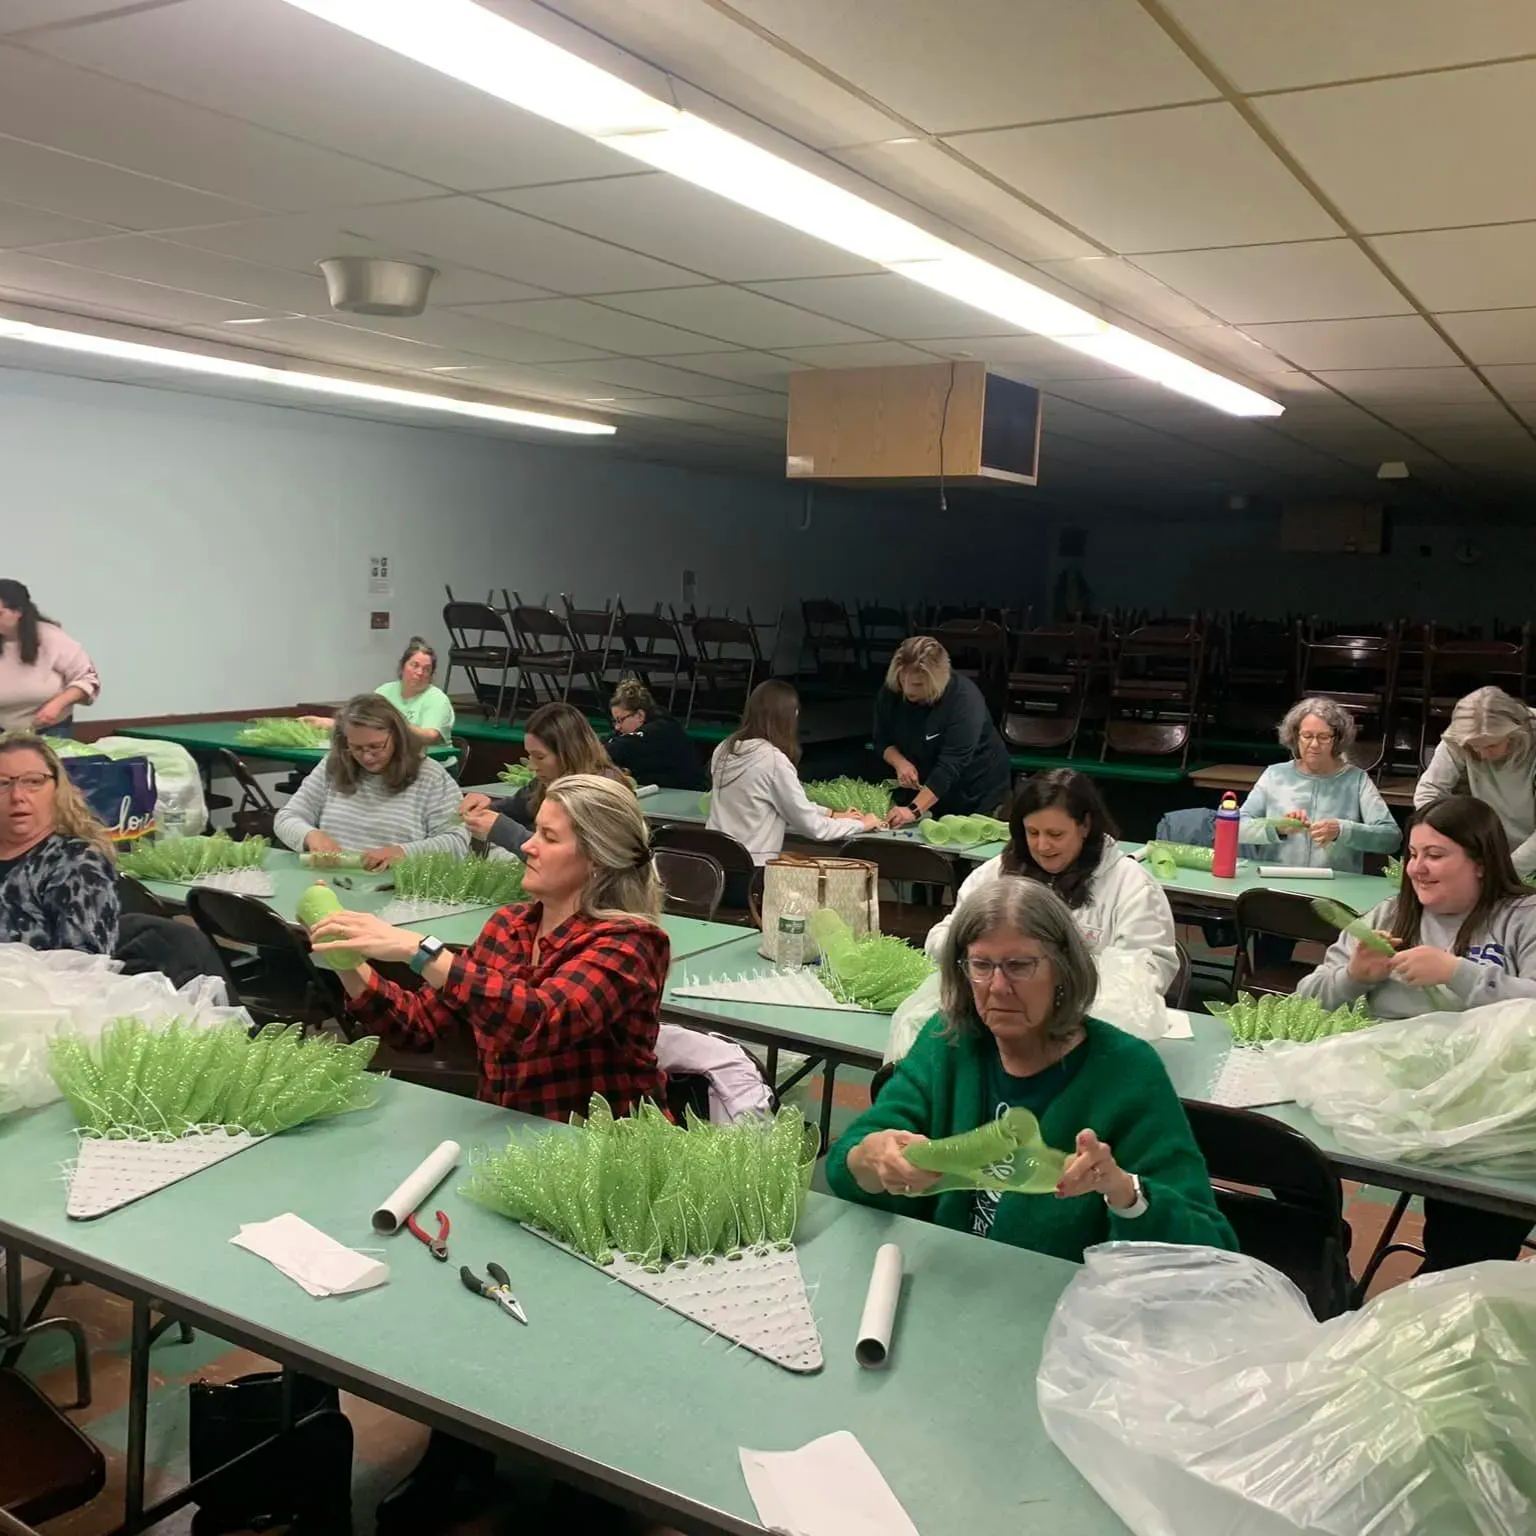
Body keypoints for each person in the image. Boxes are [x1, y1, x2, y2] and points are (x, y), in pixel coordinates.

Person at [827, 880, 1235, 1261]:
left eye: (1019, 966)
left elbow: (1210, 1245)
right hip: (949, 1287)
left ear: (1062, 969)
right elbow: (845, 1163)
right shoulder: (946, 1042)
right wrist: (872, 1157)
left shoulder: (1126, 1071)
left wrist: (1125, 1191)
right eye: (981, 965)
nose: (998, 986)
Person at [311, 773, 669, 1119]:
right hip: (512, 1139)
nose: (528, 845)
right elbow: (417, 1027)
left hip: (601, 1154)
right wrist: (345, 956)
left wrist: (421, 950)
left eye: (549, 837)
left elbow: (542, 1022)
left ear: (597, 860)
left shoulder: (631, 943)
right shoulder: (509, 927)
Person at [1296, 795, 1536, 1272]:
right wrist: (1355, 978)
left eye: (1435, 855)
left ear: (1482, 863)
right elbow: (1304, 1000)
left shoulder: (1522, 917)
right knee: (1295, 1167)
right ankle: (1321, 1272)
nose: (1417, 869)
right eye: (1412, 854)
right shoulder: (1389, 915)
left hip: (1488, 1110)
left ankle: (1452, 1291)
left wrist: (1457, 973)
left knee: (1466, 1234)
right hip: (1390, 1104)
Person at [923, 768, 1179, 992]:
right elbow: (940, 939)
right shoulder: (994, 875)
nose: (1043, 845)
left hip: (1093, 1023)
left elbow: (1150, 970)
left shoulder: (1130, 885)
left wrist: (1055, 973)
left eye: (1055, 834)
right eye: (1032, 833)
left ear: (1085, 826)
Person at [274, 694, 467, 870]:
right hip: (330, 884)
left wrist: (402, 853)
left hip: (398, 892)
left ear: (397, 737)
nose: (367, 757)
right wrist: (310, 835)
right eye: (356, 748)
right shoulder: (333, 766)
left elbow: (457, 842)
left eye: (376, 746)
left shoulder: (430, 776)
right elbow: (287, 817)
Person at [707, 679, 880, 874]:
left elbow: (777, 802)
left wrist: (830, 813)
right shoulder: (772, 760)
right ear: (790, 716)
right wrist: (860, 824)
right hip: (752, 872)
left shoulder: (724, 749)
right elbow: (813, 828)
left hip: (715, 867)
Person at [1239, 696, 1400, 873]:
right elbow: (1237, 828)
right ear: (1295, 736)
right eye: (1307, 736)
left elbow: (1391, 838)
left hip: (1335, 887)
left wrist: (1342, 830)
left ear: (1337, 739)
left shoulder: (1356, 779)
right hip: (1277, 881)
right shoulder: (1274, 775)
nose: (1314, 744)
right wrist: (1277, 827)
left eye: (1324, 737)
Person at [461, 701, 630, 859]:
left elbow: (572, 860)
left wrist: (503, 830)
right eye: (530, 755)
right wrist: (484, 807)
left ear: (569, 753)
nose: (532, 766)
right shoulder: (547, 782)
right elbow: (514, 808)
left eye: (540, 757)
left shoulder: (602, 793)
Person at [874, 636, 1011, 828]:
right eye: (902, 679)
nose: (908, 690)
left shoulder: (964, 700)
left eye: (918, 685)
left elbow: (951, 765)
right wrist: (900, 763)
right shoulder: (892, 691)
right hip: (930, 789)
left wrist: (913, 810)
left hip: (977, 789)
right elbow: (881, 740)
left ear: (938, 679)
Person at [0, 732, 118, 953]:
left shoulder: (77, 863)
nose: (17, 796)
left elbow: (84, 967)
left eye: (33, 782)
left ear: (56, 789)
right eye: (2, 784)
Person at [1416, 686, 1536, 876]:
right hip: (1494, 851)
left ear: (1515, 733)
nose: (1483, 754)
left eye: (1492, 745)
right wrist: (1445, 840)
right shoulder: (1462, 736)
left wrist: (1504, 873)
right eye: (1474, 747)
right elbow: (1430, 790)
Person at [300, 637, 456, 746]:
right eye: (414, 665)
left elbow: (430, 736)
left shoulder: (437, 699)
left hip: (433, 766)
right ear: (402, 667)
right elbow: (362, 722)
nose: (420, 672)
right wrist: (325, 723)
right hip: (393, 764)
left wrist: (394, 723)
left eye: (426, 669)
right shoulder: (385, 691)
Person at [0, 579, 100, 735]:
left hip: (50, 730)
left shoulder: (51, 637)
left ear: (18, 611)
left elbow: (87, 679)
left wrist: (58, 704)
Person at [605, 677, 706, 790]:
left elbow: (618, 748)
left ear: (639, 715)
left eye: (620, 720)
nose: (617, 727)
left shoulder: (662, 729)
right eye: (615, 721)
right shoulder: (631, 732)